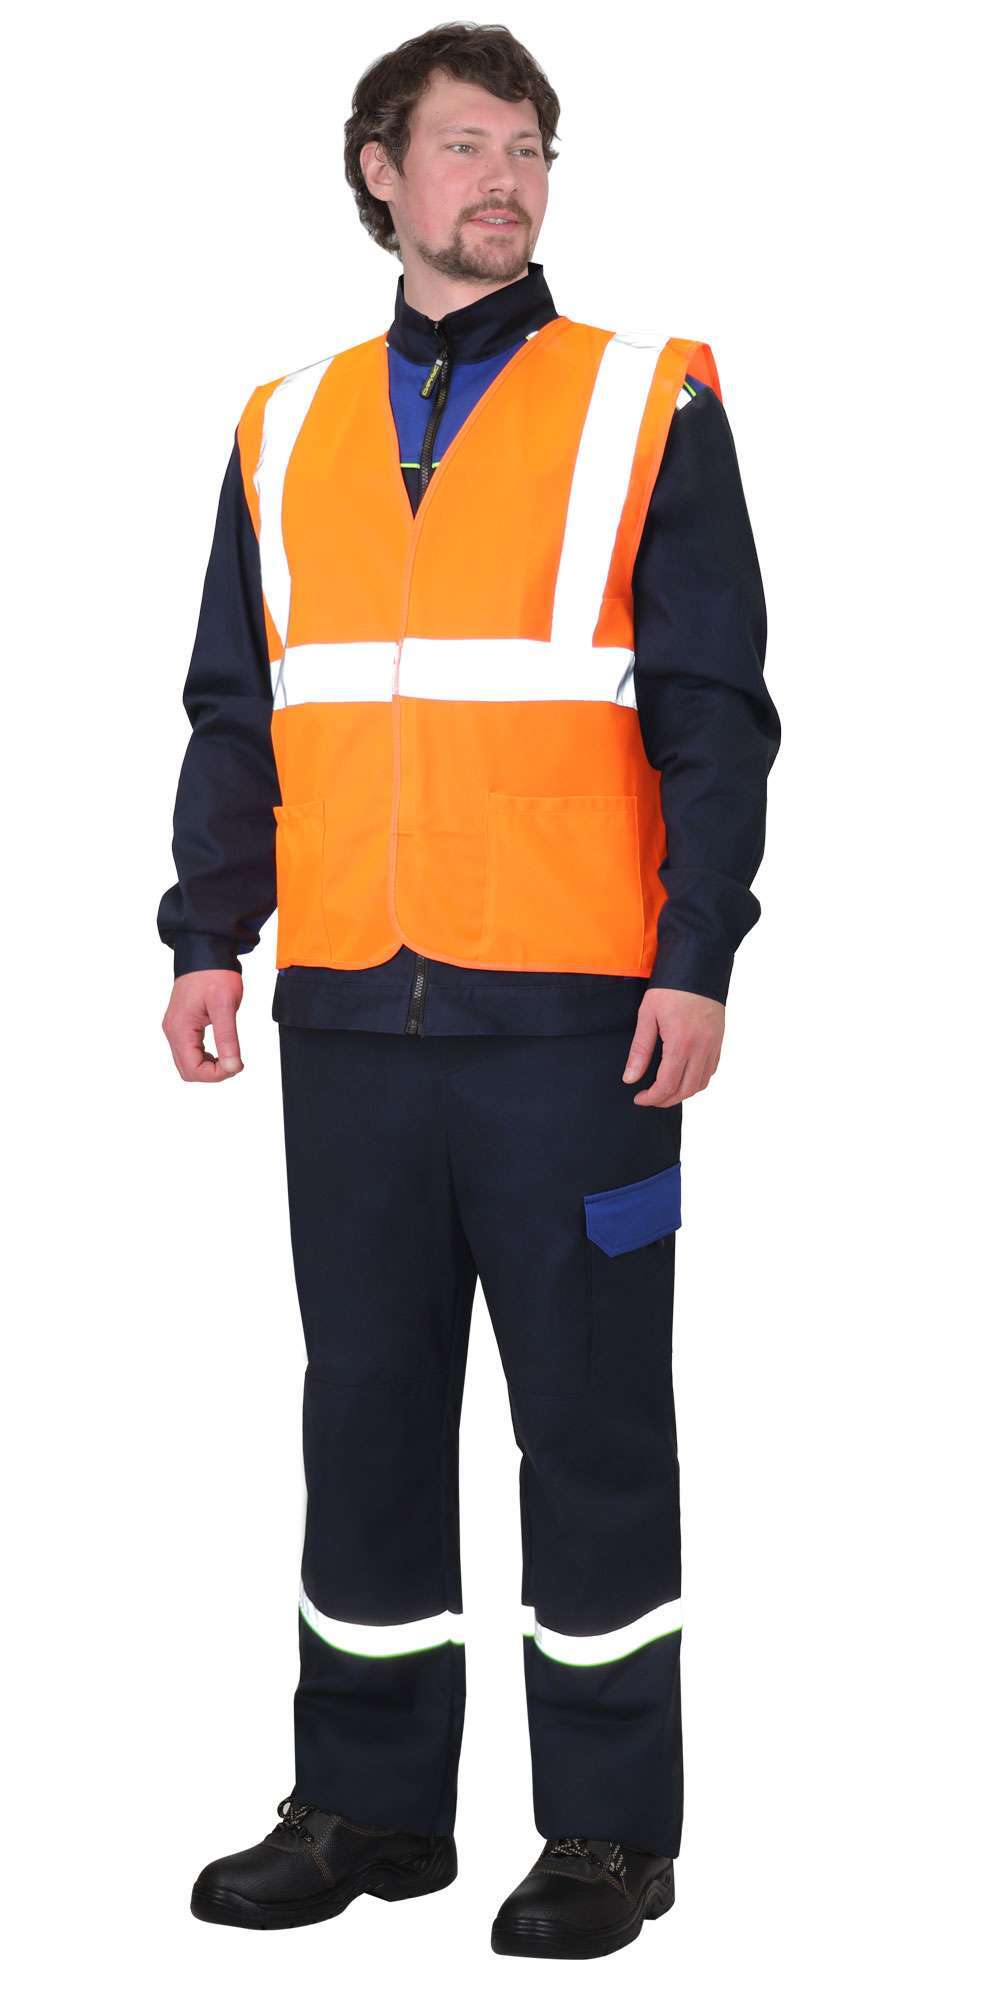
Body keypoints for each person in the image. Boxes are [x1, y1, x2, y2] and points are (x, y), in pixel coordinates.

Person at [158, 21, 780, 1961]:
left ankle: (607, 1830)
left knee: (591, 1423)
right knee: (361, 1415)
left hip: (579, 1031)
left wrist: (697, 954)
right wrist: (207, 931)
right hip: (350, 1017)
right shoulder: (282, 425)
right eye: (464, 145)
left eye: (528, 148)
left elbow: (715, 712)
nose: (503, 178)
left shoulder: (645, 400)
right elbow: (239, 707)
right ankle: (366, 1806)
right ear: (379, 170)